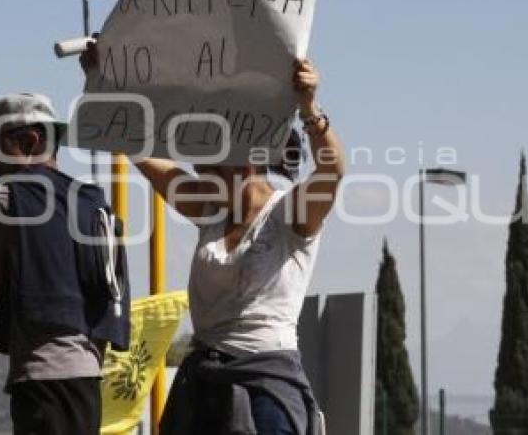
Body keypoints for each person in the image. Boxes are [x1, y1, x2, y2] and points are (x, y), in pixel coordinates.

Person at [80, 45, 344, 435]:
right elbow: (139, 149)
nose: (201, 176)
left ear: (246, 162)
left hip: (265, 388)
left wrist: (309, 107)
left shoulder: (289, 215)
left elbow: (332, 171)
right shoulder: (209, 211)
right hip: (203, 385)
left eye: (210, 167)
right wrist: (101, 83)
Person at [0, 92, 130, 435]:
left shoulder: (0, 200)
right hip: (88, 378)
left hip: (41, 380)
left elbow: (3, 295)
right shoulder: (96, 207)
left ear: (31, 140)